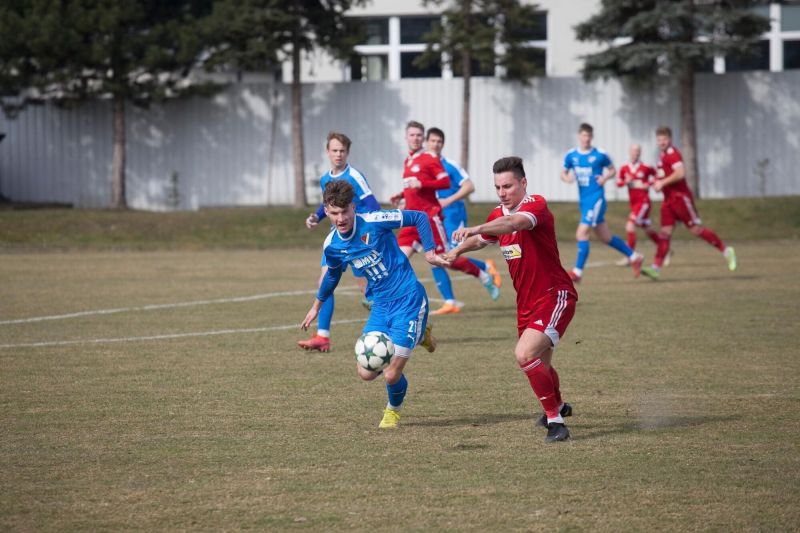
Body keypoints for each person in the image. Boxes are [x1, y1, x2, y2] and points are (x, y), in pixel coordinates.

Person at [444, 156, 577, 443]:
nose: (503, 192)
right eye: (498, 187)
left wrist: (477, 227)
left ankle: (556, 423)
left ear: (523, 183)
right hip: (526, 303)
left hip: (555, 295)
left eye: (508, 186)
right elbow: (482, 240)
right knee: (541, 362)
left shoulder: (535, 205)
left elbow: (511, 223)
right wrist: (456, 252)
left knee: (524, 355)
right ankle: (560, 406)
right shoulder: (497, 214)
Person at [300, 180, 448, 429]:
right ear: (326, 210)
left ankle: (393, 411)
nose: (341, 218)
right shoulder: (332, 245)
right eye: (334, 213)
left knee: (391, 374)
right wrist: (316, 305)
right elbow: (333, 275)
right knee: (366, 373)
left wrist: (430, 252)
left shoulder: (375, 220)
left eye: (345, 211)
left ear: (353, 207)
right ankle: (421, 334)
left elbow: (420, 217)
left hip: (408, 299)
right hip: (380, 305)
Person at [390, 120, 500, 315]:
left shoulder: (430, 159)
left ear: (422, 138)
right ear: (406, 137)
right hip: (410, 220)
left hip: (430, 219)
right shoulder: (408, 161)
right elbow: (413, 188)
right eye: (412, 135)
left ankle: (482, 274)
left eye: (418, 135)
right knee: (397, 260)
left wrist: (421, 184)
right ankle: (391, 302)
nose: (415, 138)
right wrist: (401, 195)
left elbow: (444, 182)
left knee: (443, 258)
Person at [298, 132, 381, 352]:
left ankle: (401, 327)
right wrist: (317, 216)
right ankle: (322, 336)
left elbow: (373, 205)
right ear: (328, 152)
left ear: (347, 153)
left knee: (368, 291)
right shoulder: (326, 179)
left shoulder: (355, 176)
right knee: (325, 280)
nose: (338, 154)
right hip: (337, 241)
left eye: (342, 151)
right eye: (334, 150)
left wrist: (365, 230)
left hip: (359, 241)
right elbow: (328, 204)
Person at [560, 123, 652, 282]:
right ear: (579, 136)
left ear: (592, 137)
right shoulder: (571, 155)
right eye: (583, 135)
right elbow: (563, 172)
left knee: (581, 233)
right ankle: (634, 256)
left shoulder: (600, 154)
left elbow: (612, 170)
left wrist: (605, 178)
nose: (586, 139)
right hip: (584, 201)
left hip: (596, 199)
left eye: (589, 136)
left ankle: (577, 272)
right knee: (605, 237)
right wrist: (566, 178)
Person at [427, 127, 503, 309]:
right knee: (437, 257)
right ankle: (451, 300)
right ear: (427, 142)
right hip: (435, 218)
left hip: (453, 215)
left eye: (439, 141)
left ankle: (483, 271)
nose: (436, 144)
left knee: (449, 256)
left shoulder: (450, 165)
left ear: (442, 144)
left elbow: (469, 186)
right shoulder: (424, 166)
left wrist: (448, 200)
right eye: (433, 141)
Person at [647, 126, 737, 278]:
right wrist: (655, 182)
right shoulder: (662, 156)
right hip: (668, 200)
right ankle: (656, 267)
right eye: (659, 140)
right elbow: (663, 176)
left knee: (695, 229)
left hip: (680, 198)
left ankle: (726, 250)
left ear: (670, 139)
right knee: (664, 233)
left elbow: (680, 173)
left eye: (664, 139)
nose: (661, 142)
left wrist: (662, 183)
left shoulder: (673, 154)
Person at [614, 143, 661, 266]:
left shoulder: (646, 167)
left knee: (630, 226)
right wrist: (626, 181)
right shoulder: (625, 168)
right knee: (648, 229)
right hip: (634, 203)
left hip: (643, 202)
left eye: (638, 151)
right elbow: (618, 183)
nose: (636, 153)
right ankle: (665, 249)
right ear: (630, 152)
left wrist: (649, 184)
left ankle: (630, 256)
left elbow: (656, 176)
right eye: (634, 151)